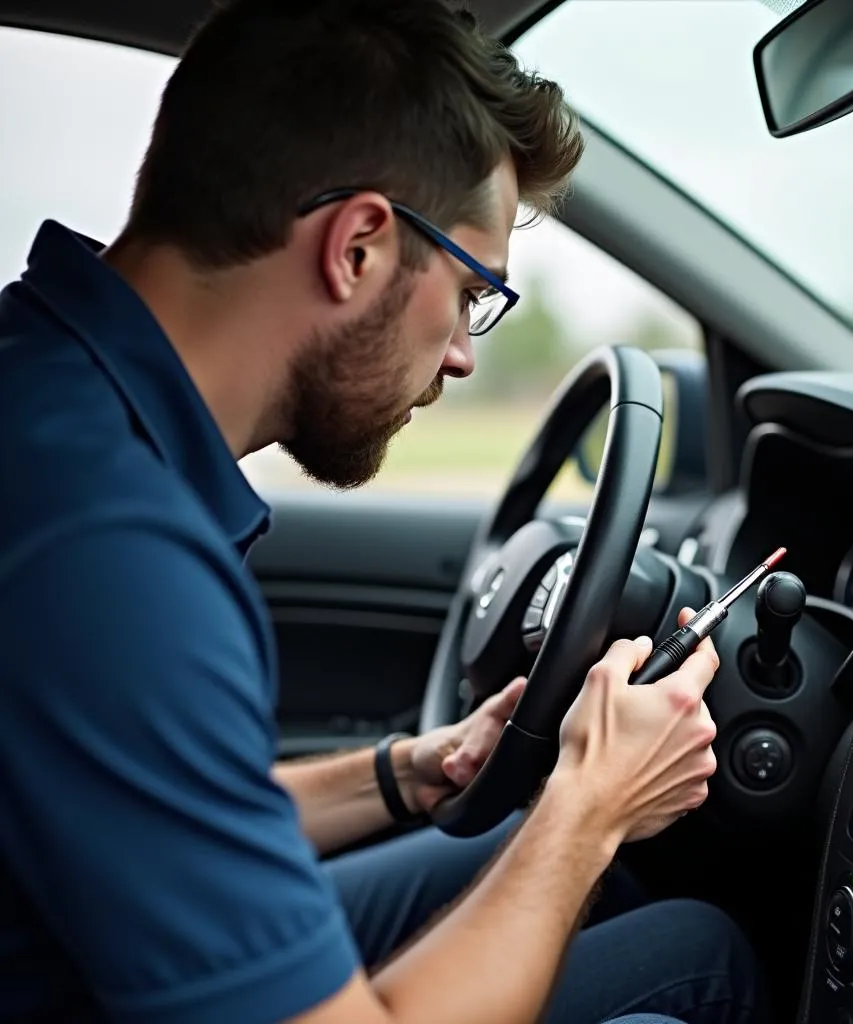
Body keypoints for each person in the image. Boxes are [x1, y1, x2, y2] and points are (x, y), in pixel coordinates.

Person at [0, 1, 769, 1022]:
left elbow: (156, 804)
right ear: (358, 246)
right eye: (472, 292)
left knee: (672, 928)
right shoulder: (114, 552)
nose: (461, 352)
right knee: (690, 978)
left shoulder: (49, 401)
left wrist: (408, 773)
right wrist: (590, 805)